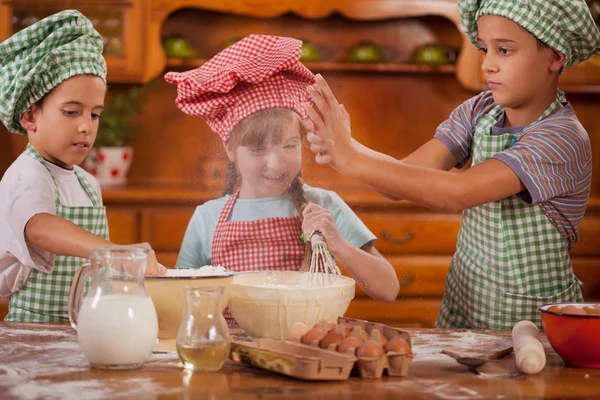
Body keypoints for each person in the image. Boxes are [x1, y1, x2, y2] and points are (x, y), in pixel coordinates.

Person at [303, 0, 600, 329]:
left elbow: (457, 192)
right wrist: (342, 150)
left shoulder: (561, 138)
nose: (487, 65)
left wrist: (351, 154)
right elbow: (402, 181)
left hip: (527, 318)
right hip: (466, 301)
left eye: (504, 50)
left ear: (556, 56)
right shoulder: (480, 111)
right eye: (485, 49)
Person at [165, 34, 399, 316]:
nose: (275, 164)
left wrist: (338, 244)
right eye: (258, 150)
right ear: (230, 149)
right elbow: (177, 300)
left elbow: (388, 289)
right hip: (232, 355)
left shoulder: (324, 206)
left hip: (307, 350)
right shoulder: (208, 218)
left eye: (289, 146)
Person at [0, 10, 166, 322]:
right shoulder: (27, 174)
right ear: (30, 117)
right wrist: (115, 252)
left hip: (84, 324)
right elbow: (39, 228)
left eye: (94, 114)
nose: (86, 127)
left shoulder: (88, 184)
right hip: (35, 333)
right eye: (71, 112)